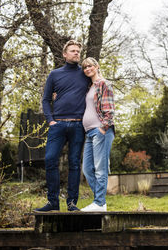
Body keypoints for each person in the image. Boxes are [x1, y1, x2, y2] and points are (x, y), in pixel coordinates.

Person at [36, 40, 90, 212]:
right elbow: (45, 99)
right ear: (65, 54)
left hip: (78, 125)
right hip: (57, 125)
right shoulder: (54, 74)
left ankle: (72, 203)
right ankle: (53, 202)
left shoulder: (85, 74)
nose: (76, 53)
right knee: (50, 159)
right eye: (73, 51)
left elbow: (97, 87)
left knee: (74, 163)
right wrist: (50, 120)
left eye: (78, 51)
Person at [80, 57, 115, 212]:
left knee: (100, 168)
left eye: (90, 66)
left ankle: (99, 204)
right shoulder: (89, 86)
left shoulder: (103, 84)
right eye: (85, 67)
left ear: (97, 66)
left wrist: (103, 128)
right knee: (87, 169)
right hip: (89, 133)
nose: (88, 69)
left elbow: (109, 110)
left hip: (101, 131)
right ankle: (100, 202)